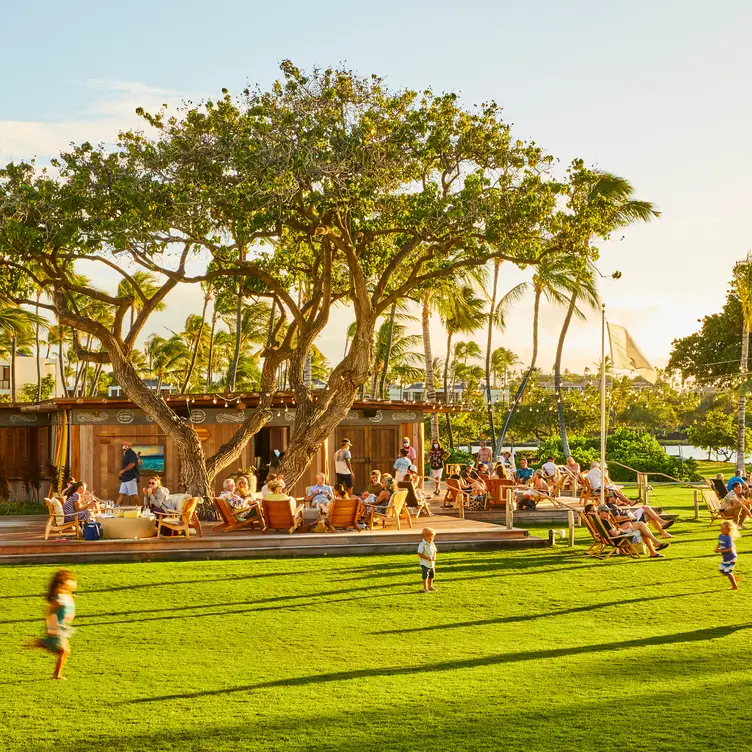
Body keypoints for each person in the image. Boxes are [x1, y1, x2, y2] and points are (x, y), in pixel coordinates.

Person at [26, 569, 77, 680]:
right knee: (64, 650)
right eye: (71, 580)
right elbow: (50, 611)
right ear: (64, 582)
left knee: (63, 651)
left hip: (63, 626)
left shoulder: (68, 596)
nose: (74, 583)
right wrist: (49, 622)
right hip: (56, 624)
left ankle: (43, 644)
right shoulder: (58, 597)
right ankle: (56, 674)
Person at [594, 503, 669, 558]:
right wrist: (621, 529)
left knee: (640, 527)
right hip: (620, 538)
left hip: (619, 537)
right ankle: (655, 544)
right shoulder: (605, 521)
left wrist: (622, 527)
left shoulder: (601, 521)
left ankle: (653, 550)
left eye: (609, 511)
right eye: (606, 512)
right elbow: (615, 534)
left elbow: (612, 531)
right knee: (641, 524)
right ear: (600, 512)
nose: (609, 513)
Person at [715, 520, 740, 590]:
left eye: (724, 528)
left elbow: (730, 549)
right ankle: (733, 578)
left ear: (729, 530)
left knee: (727, 572)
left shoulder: (729, 538)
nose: (722, 529)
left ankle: (735, 586)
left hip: (731, 557)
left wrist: (720, 550)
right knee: (721, 570)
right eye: (721, 528)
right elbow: (720, 542)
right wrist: (717, 548)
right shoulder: (720, 535)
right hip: (726, 557)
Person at [117, 441, 141, 506]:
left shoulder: (131, 453)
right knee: (122, 493)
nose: (124, 445)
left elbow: (132, 464)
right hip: (125, 478)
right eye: (123, 444)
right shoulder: (126, 454)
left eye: (126, 444)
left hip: (131, 477)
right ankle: (115, 508)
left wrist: (123, 471)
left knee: (133, 494)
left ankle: (141, 508)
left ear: (130, 446)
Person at [417, 527, 437, 593]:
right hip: (425, 564)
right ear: (426, 536)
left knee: (431, 576)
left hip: (431, 564)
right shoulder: (422, 545)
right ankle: (425, 588)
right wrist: (427, 558)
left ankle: (430, 586)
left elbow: (434, 551)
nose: (433, 538)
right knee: (425, 576)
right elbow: (419, 554)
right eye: (432, 536)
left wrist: (434, 557)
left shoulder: (432, 544)